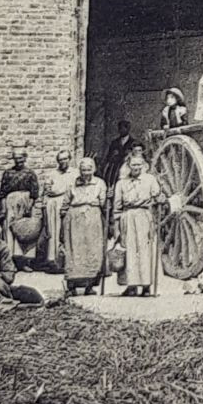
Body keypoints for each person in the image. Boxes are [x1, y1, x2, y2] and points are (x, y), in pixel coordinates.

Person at [113, 152, 162, 297]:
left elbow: (157, 195)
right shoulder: (121, 183)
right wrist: (116, 225)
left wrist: (160, 197)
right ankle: (131, 286)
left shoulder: (150, 179)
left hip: (144, 216)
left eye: (139, 164)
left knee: (145, 250)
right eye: (133, 164)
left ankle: (146, 286)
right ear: (128, 165)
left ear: (144, 165)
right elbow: (117, 206)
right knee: (129, 251)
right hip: (127, 217)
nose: (136, 167)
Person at [62, 157, 108, 297]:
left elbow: (103, 204)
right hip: (75, 219)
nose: (86, 173)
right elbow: (65, 203)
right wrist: (64, 219)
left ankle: (90, 285)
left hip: (93, 219)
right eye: (83, 170)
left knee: (92, 250)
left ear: (93, 169)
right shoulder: (72, 184)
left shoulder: (99, 183)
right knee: (74, 251)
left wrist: (107, 201)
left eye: (89, 169)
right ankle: (72, 286)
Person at [0, 149, 41, 270]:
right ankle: (11, 262)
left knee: (25, 230)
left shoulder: (30, 173)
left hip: (25, 203)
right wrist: (2, 206)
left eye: (21, 158)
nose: (18, 161)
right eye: (16, 158)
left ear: (25, 158)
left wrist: (30, 205)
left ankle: (25, 262)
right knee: (9, 230)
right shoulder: (8, 173)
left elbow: (34, 193)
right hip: (10, 203)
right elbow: (2, 191)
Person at [38, 149, 74, 273]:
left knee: (66, 231)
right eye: (60, 159)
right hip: (53, 205)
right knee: (53, 231)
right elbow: (47, 190)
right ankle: (53, 260)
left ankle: (67, 260)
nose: (63, 162)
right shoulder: (52, 174)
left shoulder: (75, 173)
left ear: (70, 159)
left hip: (68, 204)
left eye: (65, 159)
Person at [101, 119, 137, 184]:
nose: (120, 130)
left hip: (127, 168)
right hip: (115, 168)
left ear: (127, 129)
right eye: (119, 128)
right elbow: (109, 156)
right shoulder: (114, 142)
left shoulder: (133, 143)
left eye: (122, 128)